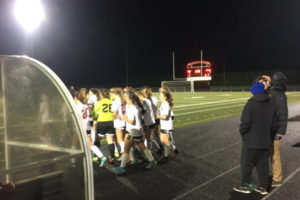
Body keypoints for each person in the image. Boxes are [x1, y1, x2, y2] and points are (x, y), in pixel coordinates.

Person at [233, 81, 276, 195]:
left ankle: (246, 185)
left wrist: (244, 135)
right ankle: (263, 187)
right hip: (265, 142)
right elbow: (274, 125)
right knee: (263, 166)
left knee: (247, 165)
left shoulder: (251, 104)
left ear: (254, 92)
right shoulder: (271, 104)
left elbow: (245, 124)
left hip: (251, 142)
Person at [113, 91, 157, 175]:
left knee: (126, 149)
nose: (124, 98)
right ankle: (152, 161)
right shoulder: (134, 106)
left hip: (133, 130)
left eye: (125, 97)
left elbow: (132, 121)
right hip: (138, 130)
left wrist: (123, 117)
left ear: (129, 99)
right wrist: (124, 117)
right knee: (143, 147)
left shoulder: (132, 108)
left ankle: (122, 168)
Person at [74, 92, 107, 167]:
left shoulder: (76, 106)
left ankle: (74, 161)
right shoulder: (85, 106)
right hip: (87, 127)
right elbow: (90, 114)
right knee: (90, 144)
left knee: (74, 143)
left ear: (76, 98)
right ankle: (102, 157)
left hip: (81, 127)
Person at [269, 72, 288, 187]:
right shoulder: (273, 92)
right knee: (269, 153)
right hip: (268, 127)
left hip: (274, 129)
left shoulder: (279, 95)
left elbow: (283, 114)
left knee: (274, 153)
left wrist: (281, 130)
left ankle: (277, 178)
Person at [93, 89, 116, 164]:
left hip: (101, 122)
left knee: (97, 139)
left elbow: (95, 113)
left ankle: (96, 156)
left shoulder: (99, 102)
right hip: (110, 122)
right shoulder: (112, 102)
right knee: (110, 141)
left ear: (102, 95)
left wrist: (94, 122)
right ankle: (112, 158)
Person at [156, 91, 174, 164]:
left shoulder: (166, 104)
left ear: (165, 97)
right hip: (163, 125)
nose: (159, 96)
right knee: (162, 140)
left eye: (161, 95)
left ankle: (166, 156)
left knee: (165, 141)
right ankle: (166, 153)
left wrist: (157, 116)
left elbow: (165, 116)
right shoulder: (163, 104)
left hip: (167, 125)